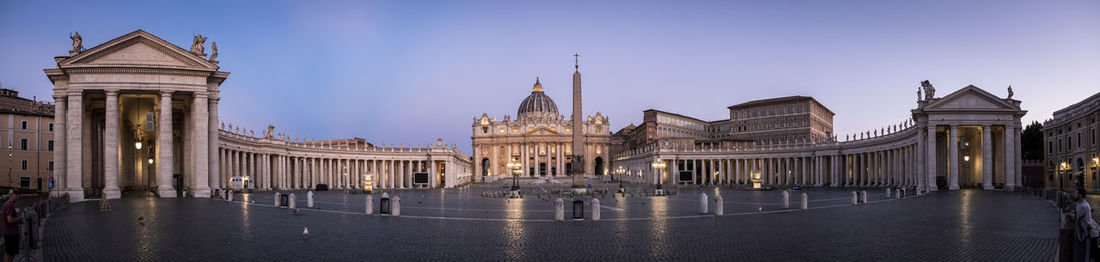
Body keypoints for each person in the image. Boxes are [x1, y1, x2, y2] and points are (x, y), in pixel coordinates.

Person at [1067, 188, 1099, 262]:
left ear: (1080, 195)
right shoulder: (1080, 203)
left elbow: (1075, 217)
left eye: (1075, 194)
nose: (1073, 195)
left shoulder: (1083, 206)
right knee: (1090, 255)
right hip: (1086, 233)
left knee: (1095, 256)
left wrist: (1069, 215)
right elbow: (1076, 213)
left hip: (1091, 234)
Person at [2, 189, 23, 262]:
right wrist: (20, 218)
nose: (18, 196)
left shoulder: (8, 204)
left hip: (9, 232)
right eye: (16, 194)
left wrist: (19, 221)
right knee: (10, 254)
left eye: (18, 194)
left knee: (9, 253)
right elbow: (10, 220)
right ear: (11, 195)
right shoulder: (9, 204)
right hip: (10, 233)